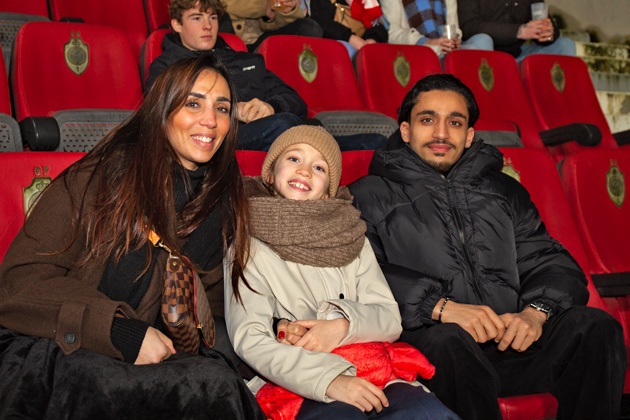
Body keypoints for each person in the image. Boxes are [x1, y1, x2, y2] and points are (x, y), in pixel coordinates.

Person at [349, 74, 626, 419]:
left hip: (511, 342)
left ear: (469, 136)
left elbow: (548, 260)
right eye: (427, 120)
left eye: (454, 122)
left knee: (595, 327)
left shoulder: (504, 190)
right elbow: (359, 275)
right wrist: (440, 308)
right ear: (406, 131)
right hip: (433, 349)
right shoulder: (366, 194)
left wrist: (534, 313)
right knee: (447, 341)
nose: (441, 133)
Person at [0, 55, 264, 419]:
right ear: (162, 110)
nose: (211, 120)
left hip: (157, 364)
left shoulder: (221, 200)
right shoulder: (101, 178)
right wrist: (117, 331)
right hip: (65, 347)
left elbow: (215, 305)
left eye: (222, 108)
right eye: (193, 104)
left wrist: (274, 326)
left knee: (218, 385)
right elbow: (19, 282)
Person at [225, 125, 459, 419]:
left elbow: (389, 318)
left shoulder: (351, 235)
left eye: (319, 167)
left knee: (427, 413)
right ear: (270, 174)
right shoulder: (247, 244)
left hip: (371, 367)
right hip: (296, 381)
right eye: (294, 159)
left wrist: (343, 326)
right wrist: (329, 381)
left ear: (328, 192)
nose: (305, 171)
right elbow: (251, 339)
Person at [146, 0, 308, 151]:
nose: (207, 26)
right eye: (197, 18)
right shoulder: (168, 65)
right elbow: (160, 109)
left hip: (257, 130)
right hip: (210, 136)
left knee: (311, 127)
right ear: (177, 25)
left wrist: (271, 107)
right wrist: (227, 109)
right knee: (285, 125)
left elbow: (295, 101)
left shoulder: (243, 60)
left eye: (213, 18)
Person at [457, 0, 576, 62]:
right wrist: (519, 31)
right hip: (483, 53)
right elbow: (469, 27)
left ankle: (560, 99)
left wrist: (548, 31)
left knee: (565, 44)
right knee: (483, 40)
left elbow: (544, 21)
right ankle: (483, 96)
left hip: (517, 55)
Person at [381, 0, 492, 56]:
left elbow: (454, 26)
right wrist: (426, 42)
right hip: (418, 49)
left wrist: (455, 39)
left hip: (446, 47)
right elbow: (391, 33)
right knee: (436, 50)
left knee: (484, 40)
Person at [220, 0, 323, 53]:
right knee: (222, 19)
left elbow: (270, 25)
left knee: (309, 28)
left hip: (260, 42)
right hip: (229, 43)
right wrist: (265, 7)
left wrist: (286, 11)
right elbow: (218, 4)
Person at [308, 0, 388, 59]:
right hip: (335, 41)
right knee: (346, 51)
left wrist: (372, 39)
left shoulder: (371, 2)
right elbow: (319, 22)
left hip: (364, 44)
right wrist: (349, 37)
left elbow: (380, 27)